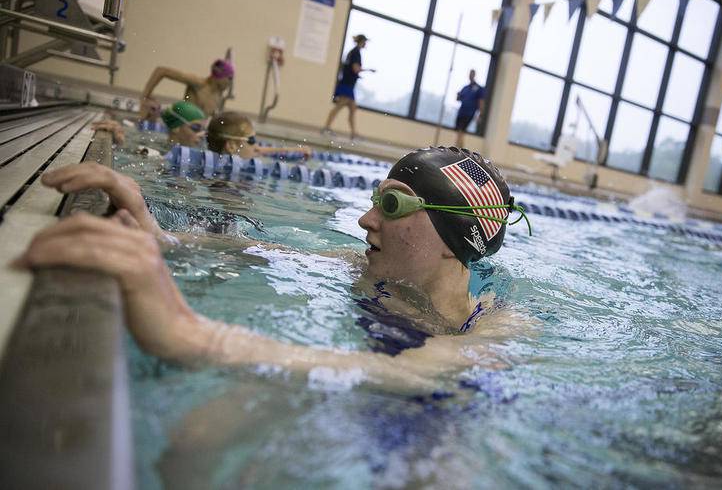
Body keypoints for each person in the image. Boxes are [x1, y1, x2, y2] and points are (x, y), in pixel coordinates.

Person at [15, 147, 532, 390]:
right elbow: (256, 251)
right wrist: (156, 233)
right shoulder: (366, 269)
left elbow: (400, 374)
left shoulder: (492, 328)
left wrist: (193, 334)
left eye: (392, 206)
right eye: (376, 198)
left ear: (452, 242)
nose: (365, 218)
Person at [140, 59, 234, 119]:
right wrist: (145, 96)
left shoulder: (218, 96)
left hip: (194, 138)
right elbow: (161, 71)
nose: (230, 83)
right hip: (180, 134)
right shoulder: (199, 83)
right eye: (229, 78)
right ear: (220, 76)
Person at [322, 34, 372, 140]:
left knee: (353, 108)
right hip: (347, 85)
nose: (366, 44)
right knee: (339, 106)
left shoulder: (352, 52)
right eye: (365, 42)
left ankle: (354, 133)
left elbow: (350, 69)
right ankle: (326, 128)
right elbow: (355, 69)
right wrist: (368, 70)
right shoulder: (356, 53)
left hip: (348, 84)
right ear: (361, 42)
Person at [454, 69, 486, 149]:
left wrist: (480, 114)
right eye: (469, 74)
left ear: (474, 75)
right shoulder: (465, 88)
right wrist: (457, 95)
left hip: (469, 113)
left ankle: (458, 149)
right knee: (459, 132)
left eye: (472, 74)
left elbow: (481, 102)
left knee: (461, 131)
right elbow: (458, 99)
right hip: (461, 112)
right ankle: (458, 148)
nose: (470, 75)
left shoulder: (478, 88)